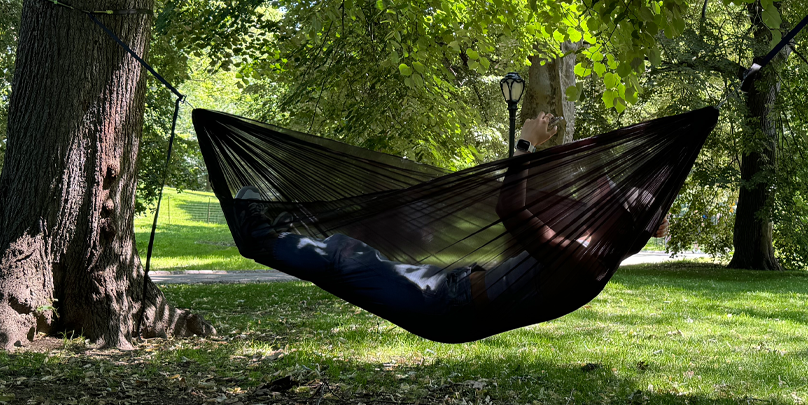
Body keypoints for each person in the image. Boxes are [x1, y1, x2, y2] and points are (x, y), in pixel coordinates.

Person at [230, 113, 659, 342]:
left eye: (606, 200)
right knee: (348, 246)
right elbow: (600, 227)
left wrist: (525, 145)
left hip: (445, 307)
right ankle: (285, 235)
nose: (595, 198)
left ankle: (260, 239)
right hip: (449, 288)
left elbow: (511, 208)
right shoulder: (596, 251)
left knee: (347, 257)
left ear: (614, 219)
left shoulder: (579, 257)